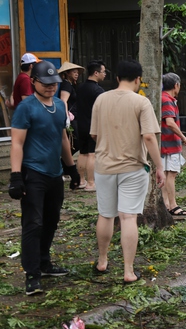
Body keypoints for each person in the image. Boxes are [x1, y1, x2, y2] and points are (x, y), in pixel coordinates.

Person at [9, 60, 81, 295]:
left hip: (54, 174)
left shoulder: (60, 106)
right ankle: (32, 274)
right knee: (33, 223)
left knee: (51, 220)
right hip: (33, 173)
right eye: (46, 83)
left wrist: (71, 168)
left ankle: (44, 262)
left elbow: (62, 139)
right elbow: (17, 143)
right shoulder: (26, 107)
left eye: (54, 83)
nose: (51, 87)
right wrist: (16, 176)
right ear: (33, 82)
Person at [90, 59, 165, 284]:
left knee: (105, 214)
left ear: (116, 78)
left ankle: (102, 261)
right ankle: (128, 271)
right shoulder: (140, 102)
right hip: (132, 167)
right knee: (128, 217)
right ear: (138, 79)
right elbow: (149, 136)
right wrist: (159, 166)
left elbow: (94, 135)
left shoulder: (100, 99)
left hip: (103, 167)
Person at [161, 73, 186, 216]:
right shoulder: (167, 100)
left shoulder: (164, 98)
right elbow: (170, 122)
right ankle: (173, 205)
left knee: (165, 174)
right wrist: (184, 137)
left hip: (165, 143)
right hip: (169, 143)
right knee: (171, 174)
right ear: (176, 85)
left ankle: (166, 203)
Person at [75, 60, 106, 192]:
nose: (105, 74)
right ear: (96, 73)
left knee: (82, 153)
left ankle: (81, 181)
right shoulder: (98, 90)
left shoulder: (80, 87)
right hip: (93, 125)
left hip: (80, 124)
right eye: (103, 72)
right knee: (92, 154)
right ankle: (91, 183)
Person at [57, 62, 85, 160]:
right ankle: (64, 163)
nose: (76, 74)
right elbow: (63, 100)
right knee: (75, 142)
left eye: (77, 72)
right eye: (74, 72)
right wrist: (66, 117)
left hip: (74, 116)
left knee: (74, 143)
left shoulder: (70, 85)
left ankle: (65, 165)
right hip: (70, 117)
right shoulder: (66, 85)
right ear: (68, 73)